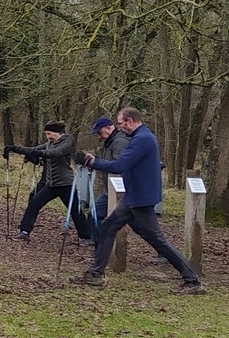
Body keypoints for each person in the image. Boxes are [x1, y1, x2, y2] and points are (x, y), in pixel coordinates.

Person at [75, 107, 206, 294]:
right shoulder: (140, 137)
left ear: (130, 121)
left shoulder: (142, 139)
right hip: (133, 197)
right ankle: (96, 274)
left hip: (141, 199)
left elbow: (120, 165)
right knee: (107, 227)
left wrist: (92, 162)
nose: (118, 127)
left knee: (158, 240)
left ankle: (193, 281)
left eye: (120, 123)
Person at [8, 121, 90, 243]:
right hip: (51, 184)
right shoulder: (50, 143)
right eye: (46, 134)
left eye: (49, 133)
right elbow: (34, 149)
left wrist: (39, 153)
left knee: (74, 210)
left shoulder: (68, 141)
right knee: (34, 203)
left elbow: (56, 153)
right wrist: (14, 148)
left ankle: (87, 237)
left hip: (65, 183)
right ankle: (24, 232)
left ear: (57, 132)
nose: (48, 137)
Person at [75, 116, 131, 224]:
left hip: (120, 190)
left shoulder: (120, 142)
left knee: (128, 221)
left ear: (107, 128)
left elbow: (118, 166)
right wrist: (93, 159)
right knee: (94, 214)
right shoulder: (108, 143)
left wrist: (94, 163)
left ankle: (103, 239)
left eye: (100, 133)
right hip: (110, 189)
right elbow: (107, 162)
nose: (99, 137)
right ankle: (98, 239)